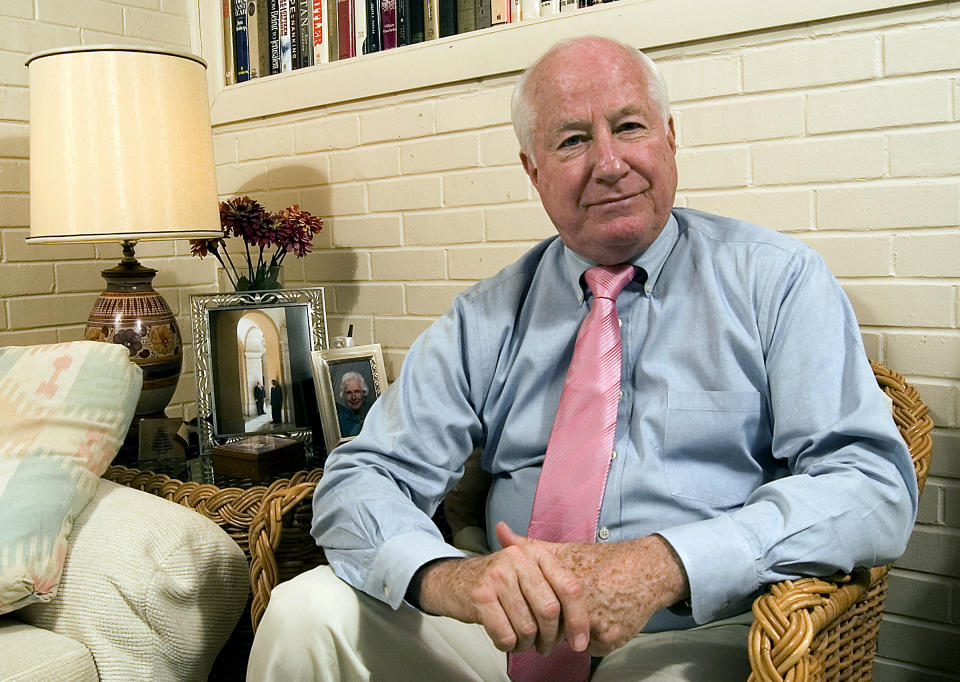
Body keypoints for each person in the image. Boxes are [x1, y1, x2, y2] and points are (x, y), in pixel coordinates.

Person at [248, 37, 918, 681]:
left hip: (688, 630)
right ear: (533, 170)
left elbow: (871, 488)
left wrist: (666, 564)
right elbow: (363, 477)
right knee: (305, 614)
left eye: (629, 127)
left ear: (670, 138)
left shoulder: (776, 282)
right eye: (572, 140)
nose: (609, 162)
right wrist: (452, 578)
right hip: (501, 633)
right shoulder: (486, 316)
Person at [336, 371, 371, 437]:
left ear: (363, 392)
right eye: (349, 393)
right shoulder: (339, 421)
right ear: (344, 396)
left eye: (357, 391)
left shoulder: (373, 412)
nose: (353, 397)